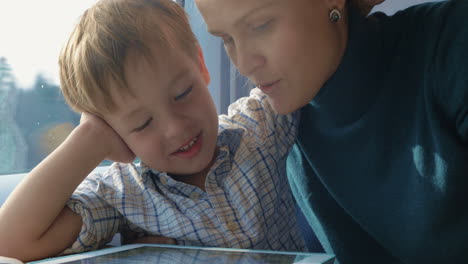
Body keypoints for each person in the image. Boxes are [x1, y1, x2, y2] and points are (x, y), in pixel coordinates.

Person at [0, 0, 307, 261]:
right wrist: (86, 142)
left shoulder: (257, 127)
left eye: (182, 93)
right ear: (113, 131)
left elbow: (305, 67)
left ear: (200, 64)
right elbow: (9, 243)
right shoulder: (124, 195)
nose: (176, 128)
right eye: (142, 124)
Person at [194, 0, 468, 263]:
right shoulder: (275, 123)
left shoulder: (453, 44)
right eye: (226, 39)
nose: (243, 64)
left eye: (261, 26)